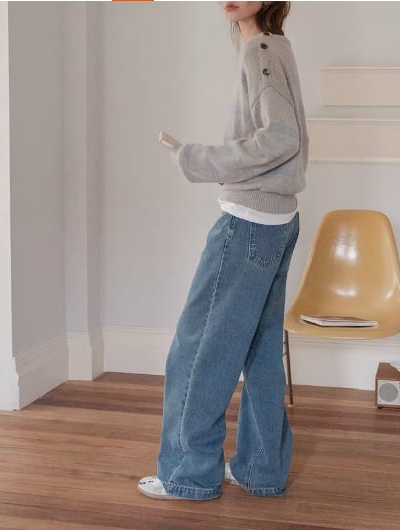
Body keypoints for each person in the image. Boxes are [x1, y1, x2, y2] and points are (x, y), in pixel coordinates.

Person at [138, 0, 309, 501]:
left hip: (249, 222)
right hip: (278, 220)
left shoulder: (259, 50)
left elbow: (282, 137)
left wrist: (197, 159)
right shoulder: (276, 46)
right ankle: (260, 468)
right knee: (260, 350)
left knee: (196, 350)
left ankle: (187, 474)